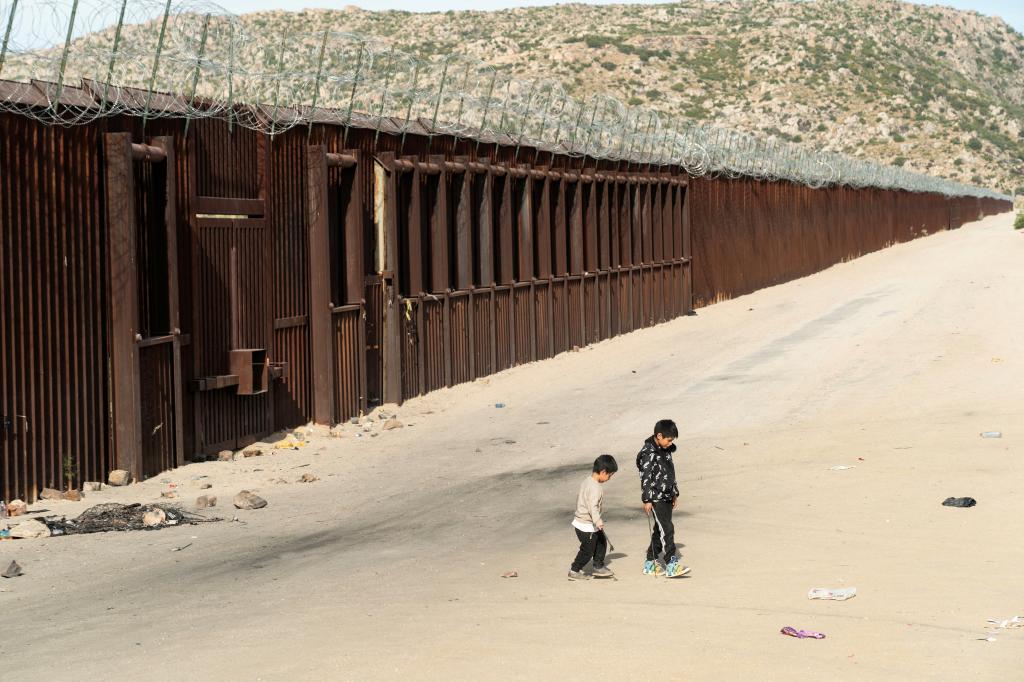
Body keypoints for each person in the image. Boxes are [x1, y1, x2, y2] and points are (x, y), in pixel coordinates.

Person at [637, 419, 690, 578]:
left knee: (658, 530)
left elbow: (670, 473)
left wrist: (674, 492)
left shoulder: (666, 450)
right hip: (656, 497)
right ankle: (671, 564)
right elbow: (645, 477)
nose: (669, 443)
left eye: (672, 441)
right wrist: (647, 499)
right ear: (659, 436)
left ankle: (650, 563)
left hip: (667, 496)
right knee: (667, 529)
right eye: (668, 440)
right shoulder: (648, 453)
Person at [568, 454, 618, 580]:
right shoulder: (595, 487)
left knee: (601, 542)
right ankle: (574, 570)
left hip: (587, 523)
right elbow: (592, 506)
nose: (609, 478)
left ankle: (598, 566)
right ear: (603, 472)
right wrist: (597, 520)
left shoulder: (587, 481)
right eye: (609, 475)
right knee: (587, 550)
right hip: (586, 525)